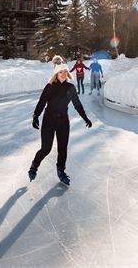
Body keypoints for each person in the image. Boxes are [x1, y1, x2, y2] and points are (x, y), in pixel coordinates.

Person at [28, 57, 93, 185]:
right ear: (56, 74)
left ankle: (61, 171)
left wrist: (85, 118)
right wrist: (36, 116)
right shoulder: (50, 87)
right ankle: (34, 165)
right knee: (46, 149)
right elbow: (41, 102)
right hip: (49, 121)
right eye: (60, 72)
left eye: (65, 71)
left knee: (62, 149)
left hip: (63, 121)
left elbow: (77, 104)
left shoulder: (70, 87)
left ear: (68, 73)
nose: (63, 74)